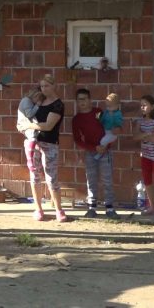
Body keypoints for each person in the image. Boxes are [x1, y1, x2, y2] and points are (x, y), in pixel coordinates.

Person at [18, 74, 68, 223]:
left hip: (50, 143)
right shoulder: (39, 101)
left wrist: (28, 125)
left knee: (51, 178)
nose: (44, 89)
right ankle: (38, 209)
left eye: (47, 86)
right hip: (34, 142)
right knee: (34, 176)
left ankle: (59, 210)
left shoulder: (58, 105)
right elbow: (26, 115)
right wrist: (22, 126)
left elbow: (48, 126)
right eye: (42, 86)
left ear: (54, 86)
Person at [72, 88, 119, 218]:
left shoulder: (98, 113)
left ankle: (110, 208)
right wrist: (92, 147)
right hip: (90, 152)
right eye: (79, 100)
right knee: (91, 180)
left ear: (90, 100)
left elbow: (109, 128)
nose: (81, 102)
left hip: (105, 151)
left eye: (84, 99)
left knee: (107, 180)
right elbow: (77, 139)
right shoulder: (77, 119)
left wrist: (106, 145)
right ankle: (92, 208)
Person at [95, 93, 123, 160]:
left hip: (112, 133)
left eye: (110, 106)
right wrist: (98, 118)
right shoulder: (106, 112)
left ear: (117, 105)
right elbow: (102, 119)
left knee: (103, 141)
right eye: (107, 106)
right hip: (105, 131)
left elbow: (118, 123)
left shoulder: (118, 114)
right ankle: (101, 151)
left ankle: (100, 153)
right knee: (100, 139)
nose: (108, 108)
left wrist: (112, 116)